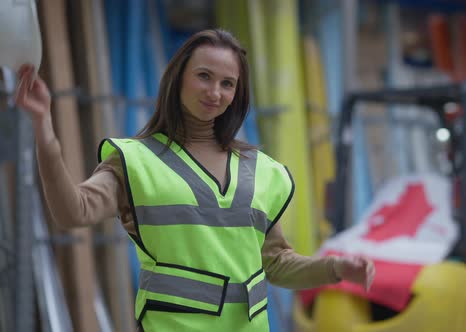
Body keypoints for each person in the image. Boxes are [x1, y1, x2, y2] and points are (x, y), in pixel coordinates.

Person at [14, 29, 375, 331]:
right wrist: (44, 131)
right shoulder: (137, 162)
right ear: (178, 77)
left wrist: (336, 268)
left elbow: (276, 264)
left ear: (237, 93)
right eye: (204, 76)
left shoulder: (262, 171)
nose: (214, 92)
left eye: (227, 83)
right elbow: (72, 211)